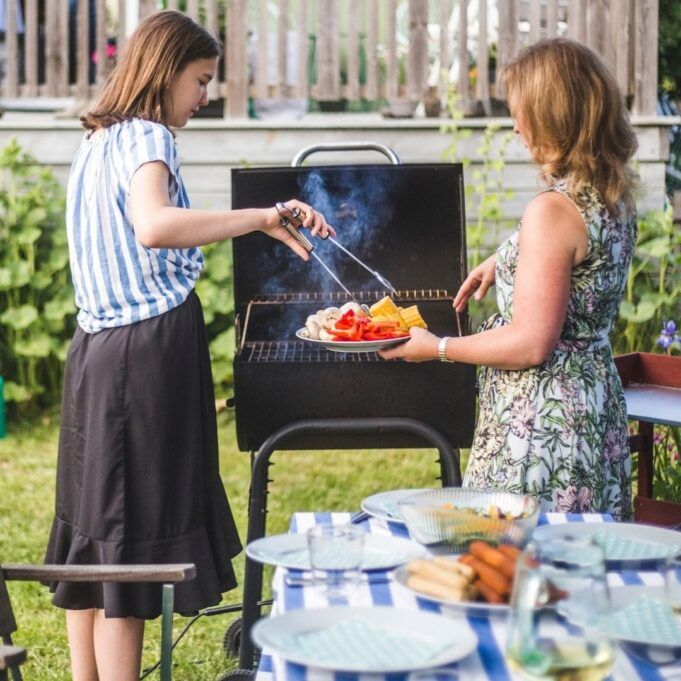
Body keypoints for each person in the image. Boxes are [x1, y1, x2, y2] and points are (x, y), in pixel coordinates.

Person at [43, 11, 333, 681]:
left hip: (95, 352)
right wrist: (259, 218)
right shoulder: (149, 136)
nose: (205, 95)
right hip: (142, 356)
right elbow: (153, 225)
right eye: (200, 80)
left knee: (92, 535)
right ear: (165, 71)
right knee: (127, 543)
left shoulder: (97, 141)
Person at [380, 38, 638, 521]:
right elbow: (579, 261)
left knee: (510, 554)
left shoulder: (553, 211)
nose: (516, 124)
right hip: (592, 407)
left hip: (539, 428)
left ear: (552, 115)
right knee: (579, 555)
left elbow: (530, 344)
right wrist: (506, 258)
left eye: (521, 111)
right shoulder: (610, 194)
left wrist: (436, 348)